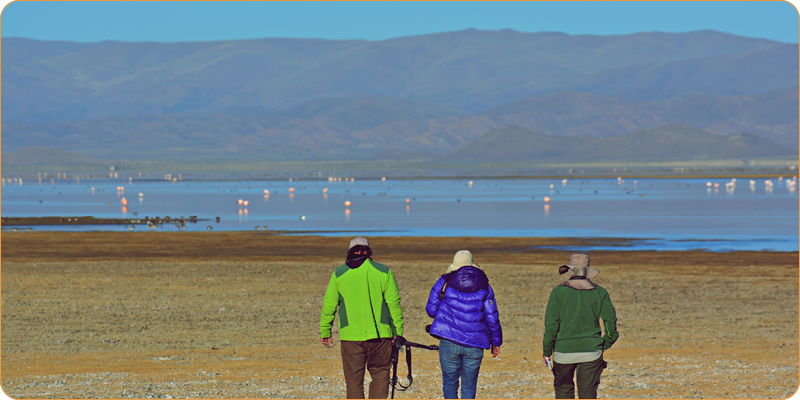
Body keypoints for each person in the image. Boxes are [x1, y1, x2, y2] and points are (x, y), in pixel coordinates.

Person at [320, 237, 405, 399]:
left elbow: (329, 305)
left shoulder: (339, 273)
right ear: (368, 251)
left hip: (351, 336)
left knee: (353, 381)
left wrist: (325, 330)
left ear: (351, 251)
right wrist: (397, 332)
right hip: (381, 336)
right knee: (381, 374)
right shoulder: (384, 271)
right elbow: (394, 305)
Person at [425, 250, 503, 399]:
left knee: (449, 383)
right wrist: (497, 342)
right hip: (475, 344)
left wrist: (446, 316)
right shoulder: (485, 286)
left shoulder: (444, 282)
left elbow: (431, 310)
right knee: (469, 385)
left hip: (448, 341)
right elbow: (492, 317)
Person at [542, 253, 619, 399]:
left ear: (570, 270)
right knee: (588, 395)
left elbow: (551, 325)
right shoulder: (600, 292)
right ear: (587, 271)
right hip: (592, 351)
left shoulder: (558, 292)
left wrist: (547, 350)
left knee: (563, 392)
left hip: (563, 352)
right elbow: (610, 321)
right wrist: (606, 342)